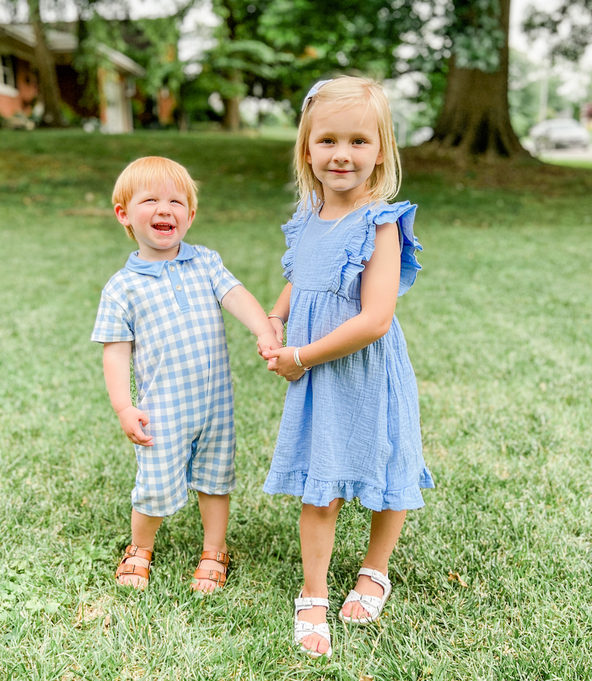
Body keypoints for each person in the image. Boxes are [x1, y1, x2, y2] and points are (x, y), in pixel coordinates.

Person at [261, 77, 434, 658]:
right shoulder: (308, 216)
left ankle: (374, 569)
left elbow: (375, 319)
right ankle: (312, 594)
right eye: (327, 140)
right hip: (316, 375)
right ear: (306, 149)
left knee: (387, 473)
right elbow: (301, 276)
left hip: (363, 369)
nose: (342, 154)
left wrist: (300, 357)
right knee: (321, 482)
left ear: (381, 150)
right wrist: (277, 317)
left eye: (359, 141)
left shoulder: (380, 224)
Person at [91, 156, 279, 591]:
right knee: (153, 484)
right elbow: (116, 354)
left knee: (215, 479)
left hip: (214, 404)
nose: (165, 209)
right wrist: (124, 406)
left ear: (190, 215)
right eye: (150, 200)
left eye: (177, 201)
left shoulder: (206, 263)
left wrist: (264, 328)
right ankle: (140, 547)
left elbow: (237, 295)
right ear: (124, 214)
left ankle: (215, 549)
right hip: (162, 408)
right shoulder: (122, 287)